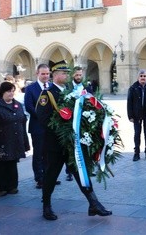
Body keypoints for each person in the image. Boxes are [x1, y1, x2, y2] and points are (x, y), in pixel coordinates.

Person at [37, 61, 111, 221]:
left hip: (71, 145)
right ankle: (46, 206)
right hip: (55, 144)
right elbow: (43, 118)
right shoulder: (47, 94)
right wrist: (65, 130)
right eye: (63, 73)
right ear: (55, 75)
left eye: (66, 73)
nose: (66, 75)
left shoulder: (71, 91)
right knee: (51, 175)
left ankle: (94, 203)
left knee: (80, 172)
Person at [0, 82, 29, 196]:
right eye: (8, 91)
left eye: (12, 91)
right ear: (2, 92)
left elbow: (22, 121)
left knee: (12, 162)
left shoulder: (18, 105)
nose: (11, 93)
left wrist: (25, 142)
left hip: (15, 139)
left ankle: (12, 186)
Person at [24, 63, 54, 189]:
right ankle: (40, 178)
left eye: (47, 74)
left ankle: (49, 177)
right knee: (39, 153)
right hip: (38, 126)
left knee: (49, 153)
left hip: (51, 127)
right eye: (43, 74)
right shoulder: (31, 88)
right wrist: (43, 116)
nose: (46, 76)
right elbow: (29, 106)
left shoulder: (52, 87)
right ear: (37, 74)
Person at [127, 69, 146, 162]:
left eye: (144, 76)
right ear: (138, 77)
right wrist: (130, 116)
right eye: (141, 76)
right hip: (136, 115)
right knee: (137, 133)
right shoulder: (133, 88)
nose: (143, 78)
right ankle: (136, 153)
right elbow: (129, 102)